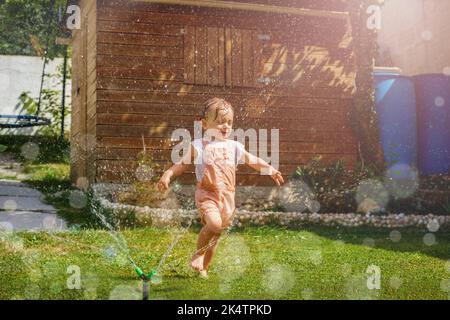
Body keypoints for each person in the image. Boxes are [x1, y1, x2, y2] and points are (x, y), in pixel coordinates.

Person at [157, 98, 284, 278]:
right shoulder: (198, 146)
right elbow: (182, 165)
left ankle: (203, 268)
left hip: (227, 198)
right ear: (204, 123)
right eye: (220, 122)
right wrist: (168, 174)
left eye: (229, 122)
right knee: (214, 225)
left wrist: (269, 169)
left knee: (215, 235)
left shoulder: (234, 146)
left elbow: (252, 160)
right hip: (207, 194)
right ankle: (199, 254)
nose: (225, 126)